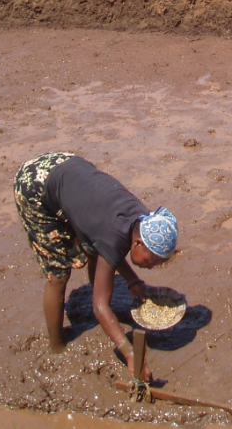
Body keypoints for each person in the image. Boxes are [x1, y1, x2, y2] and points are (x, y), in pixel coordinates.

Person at [13, 152, 177, 380]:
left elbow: (109, 244)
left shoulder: (141, 219)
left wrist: (132, 280)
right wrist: (129, 353)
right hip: (35, 186)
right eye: (151, 261)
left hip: (67, 166)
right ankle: (56, 345)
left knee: (93, 248)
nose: (151, 267)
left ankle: (97, 284)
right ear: (138, 243)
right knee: (58, 274)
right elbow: (100, 306)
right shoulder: (115, 234)